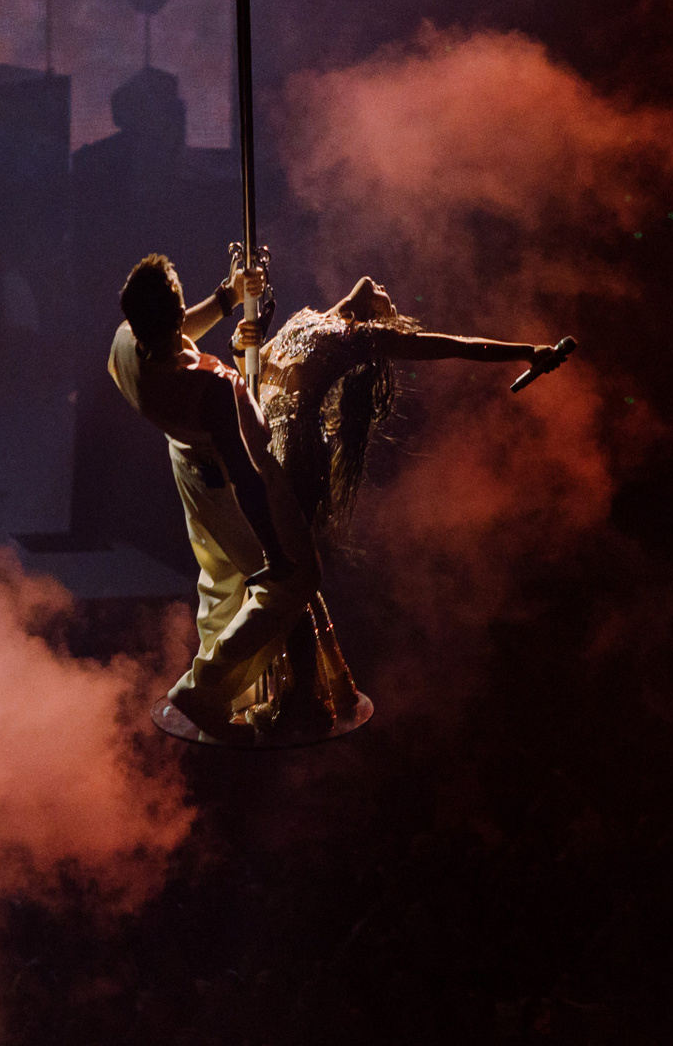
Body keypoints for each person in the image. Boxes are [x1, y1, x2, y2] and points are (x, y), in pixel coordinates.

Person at [227, 275, 575, 727]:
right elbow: (256, 370)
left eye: (384, 298)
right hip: (269, 449)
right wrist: (244, 343)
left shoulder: (360, 337)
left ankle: (304, 701)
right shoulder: (305, 318)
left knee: (291, 576)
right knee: (292, 574)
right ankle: (332, 686)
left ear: (379, 318)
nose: (377, 284)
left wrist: (528, 351)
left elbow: (457, 345)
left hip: (298, 453)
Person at [109, 253, 318, 745]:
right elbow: (247, 474)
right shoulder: (212, 388)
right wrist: (275, 552)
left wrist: (228, 298)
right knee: (291, 585)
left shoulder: (125, 345)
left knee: (221, 581)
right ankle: (201, 692)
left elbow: (173, 335)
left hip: (189, 473)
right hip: (226, 489)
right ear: (177, 313)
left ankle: (230, 699)